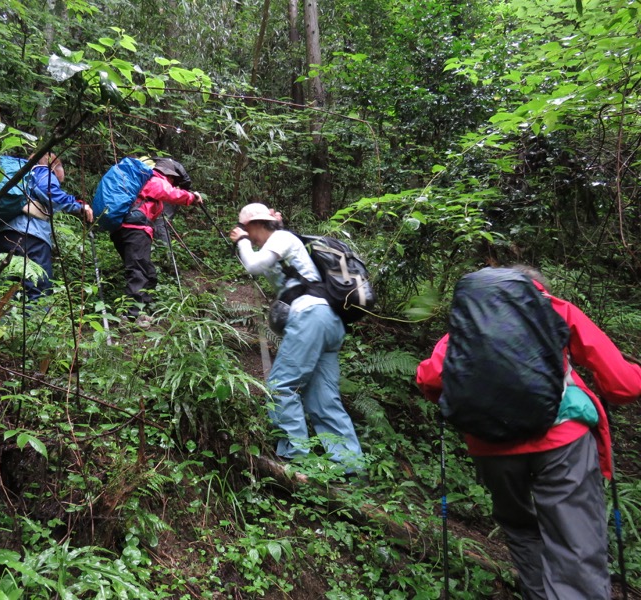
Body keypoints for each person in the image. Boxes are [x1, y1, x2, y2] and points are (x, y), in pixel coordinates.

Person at [416, 265, 641, 600]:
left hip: (490, 446)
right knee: (574, 543)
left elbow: (430, 378)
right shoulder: (555, 309)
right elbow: (623, 385)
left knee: (521, 529)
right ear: (537, 287)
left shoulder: (473, 321)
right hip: (561, 441)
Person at [228, 203, 364, 476]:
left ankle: (296, 458)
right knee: (323, 398)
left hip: (311, 317)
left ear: (256, 224)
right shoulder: (282, 241)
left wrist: (241, 243)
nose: (247, 234)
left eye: (247, 229)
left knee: (280, 387)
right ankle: (350, 467)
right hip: (329, 322)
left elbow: (253, 265)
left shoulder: (281, 238)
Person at [0, 153, 93, 301]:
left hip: (0, 234)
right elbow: (50, 193)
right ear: (55, 167)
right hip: (30, 238)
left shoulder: (17, 175)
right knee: (37, 289)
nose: (58, 181)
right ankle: (36, 319)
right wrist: (79, 206)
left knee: (2, 288)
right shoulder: (41, 171)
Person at [109, 157, 201, 321]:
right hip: (135, 230)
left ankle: (140, 311)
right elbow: (171, 193)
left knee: (148, 273)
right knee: (138, 272)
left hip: (123, 230)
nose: (173, 182)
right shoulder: (156, 179)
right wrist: (192, 198)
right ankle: (131, 316)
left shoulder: (144, 182)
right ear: (169, 175)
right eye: (173, 179)